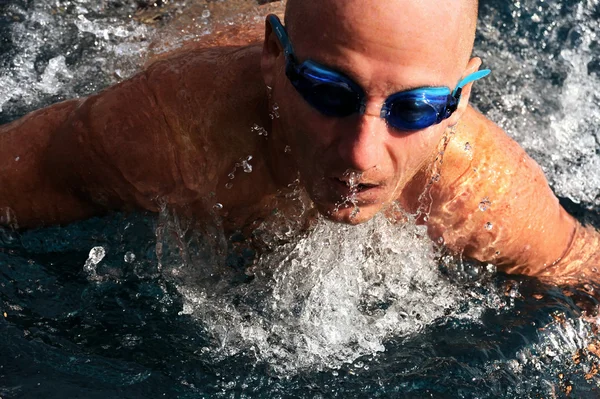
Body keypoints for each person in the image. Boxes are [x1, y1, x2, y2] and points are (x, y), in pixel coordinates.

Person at [0, 0, 598, 282]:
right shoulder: (167, 135)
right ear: (273, 58)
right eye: (328, 91)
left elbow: (587, 273)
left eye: (414, 107)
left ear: (461, 100)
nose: (361, 154)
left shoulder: (478, 188)